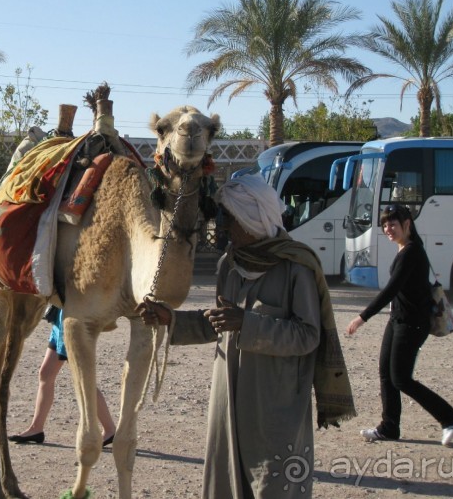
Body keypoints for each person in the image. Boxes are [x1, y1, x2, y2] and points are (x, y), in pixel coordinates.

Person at [137, 173, 355, 499]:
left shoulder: (296, 267)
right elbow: (220, 323)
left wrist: (248, 323)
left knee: (276, 486)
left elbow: (308, 335)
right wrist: (172, 320)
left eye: (232, 219)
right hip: (229, 398)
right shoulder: (230, 264)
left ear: (253, 219)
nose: (225, 227)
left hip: (275, 405)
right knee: (228, 482)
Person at [347, 204, 453, 445]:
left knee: (401, 378)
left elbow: (391, 289)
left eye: (393, 223)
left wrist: (362, 317)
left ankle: (449, 417)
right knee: (386, 374)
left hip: (413, 323)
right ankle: (389, 427)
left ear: (407, 224)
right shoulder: (404, 250)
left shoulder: (411, 252)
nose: (388, 228)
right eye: (385, 224)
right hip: (398, 320)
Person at [8, 306, 116, 446]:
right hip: (61, 319)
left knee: (83, 379)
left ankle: (110, 430)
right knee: (46, 373)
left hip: (74, 319)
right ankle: (36, 429)